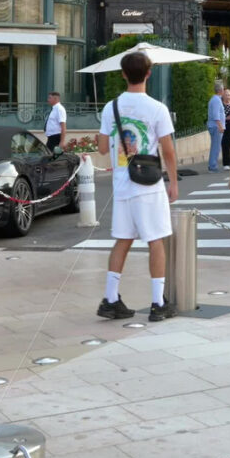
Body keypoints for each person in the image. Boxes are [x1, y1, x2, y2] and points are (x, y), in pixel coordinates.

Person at [97, 52, 178, 322]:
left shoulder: (111, 108)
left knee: (123, 239)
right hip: (149, 184)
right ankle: (157, 302)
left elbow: (100, 146)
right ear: (149, 73)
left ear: (122, 74)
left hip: (122, 185)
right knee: (155, 240)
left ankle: (110, 298)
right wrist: (174, 181)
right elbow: (168, 151)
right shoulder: (157, 108)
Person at [207, 81, 225, 172]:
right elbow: (216, 115)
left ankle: (212, 165)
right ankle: (213, 166)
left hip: (215, 126)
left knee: (215, 146)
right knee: (216, 147)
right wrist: (220, 126)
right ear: (221, 90)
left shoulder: (215, 99)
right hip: (216, 127)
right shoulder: (216, 100)